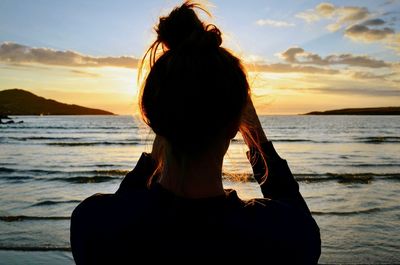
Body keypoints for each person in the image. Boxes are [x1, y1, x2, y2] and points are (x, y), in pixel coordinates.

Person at [70, 2, 321, 264]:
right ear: (237, 121)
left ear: (153, 119)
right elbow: (297, 216)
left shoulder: (94, 224)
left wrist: (160, 137)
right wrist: (254, 134)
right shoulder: (282, 236)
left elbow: (122, 207)